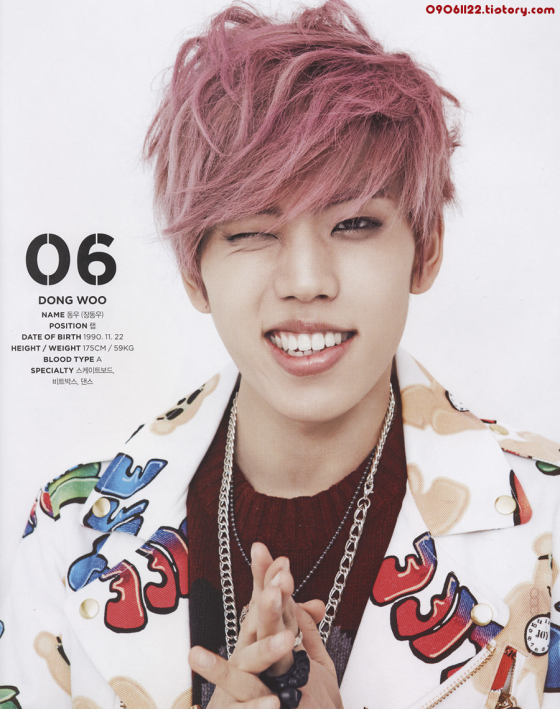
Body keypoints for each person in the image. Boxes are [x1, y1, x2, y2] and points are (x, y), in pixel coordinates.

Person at [0, 1, 558, 708]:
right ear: (194, 272)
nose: (305, 281)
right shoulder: (69, 532)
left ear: (425, 251)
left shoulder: (548, 520)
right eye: (253, 232)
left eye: (354, 223)